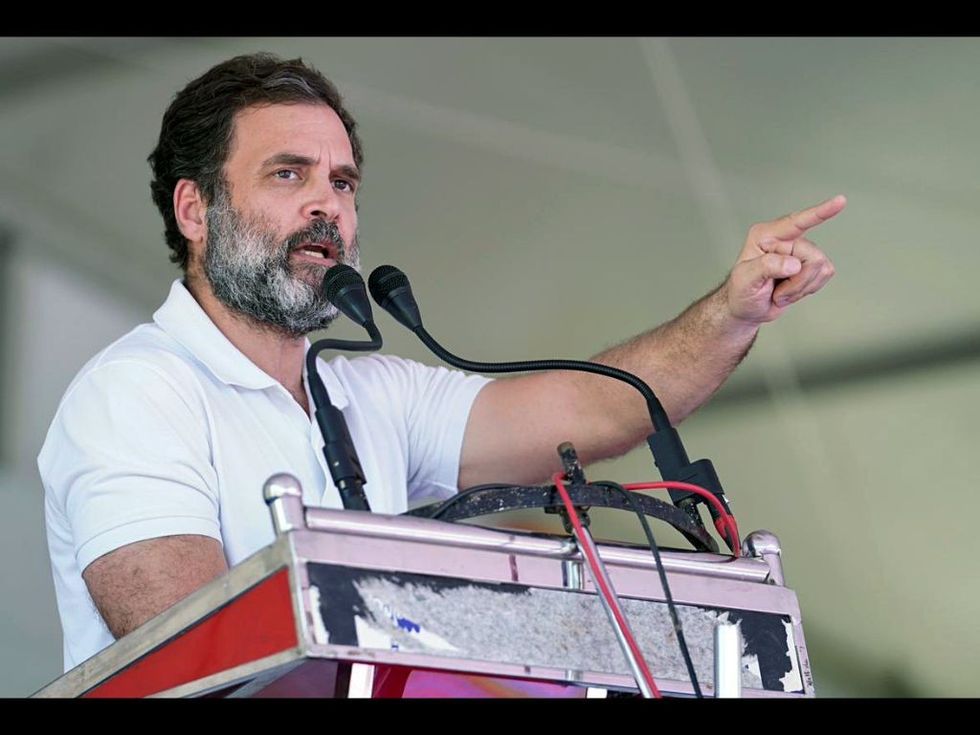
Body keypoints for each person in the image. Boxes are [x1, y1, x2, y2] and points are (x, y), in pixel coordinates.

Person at [38, 52, 843, 674]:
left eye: (343, 182)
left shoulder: (367, 391)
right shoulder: (135, 392)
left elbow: (599, 411)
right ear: (194, 209)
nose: (329, 206)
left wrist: (731, 312)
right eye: (289, 174)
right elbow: (193, 647)